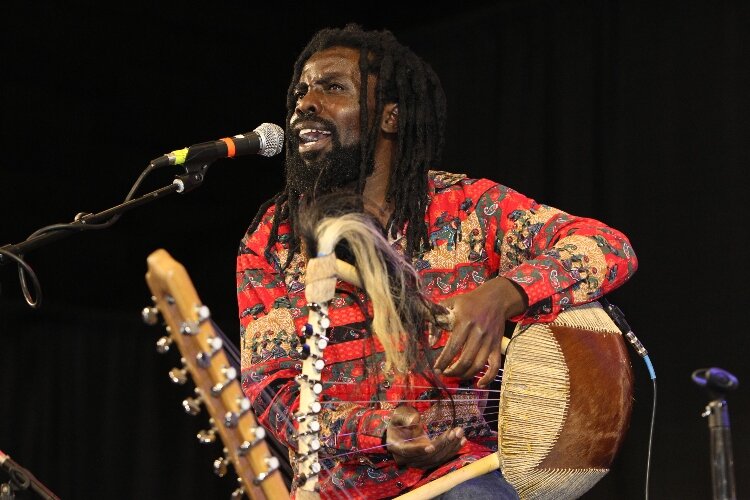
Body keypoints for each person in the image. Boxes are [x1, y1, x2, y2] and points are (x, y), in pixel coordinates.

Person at [237, 24, 637, 499]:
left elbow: (608, 246)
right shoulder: (274, 238)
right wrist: (381, 429)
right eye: (301, 90)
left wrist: (502, 295)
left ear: (391, 117)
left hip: (462, 478)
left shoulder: (467, 208)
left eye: (333, 87)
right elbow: (271, 392)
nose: (305, 102)